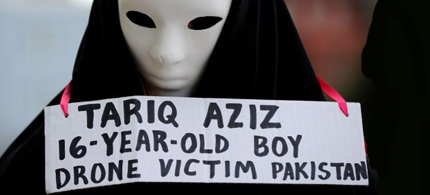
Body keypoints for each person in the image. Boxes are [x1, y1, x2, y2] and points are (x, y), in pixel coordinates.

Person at [0, 0, 376, 194]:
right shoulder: (35, 170)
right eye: (142, 19)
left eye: (200, 23)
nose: (167, 52)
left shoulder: (324, 163)